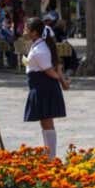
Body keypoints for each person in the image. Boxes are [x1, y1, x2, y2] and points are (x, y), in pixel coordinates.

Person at [23, 17, 69, 159]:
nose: (24, 31)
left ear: (34, 32)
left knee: (47, 122)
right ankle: (48, 153)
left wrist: (62, 80)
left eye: (27, 29)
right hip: (40, 85)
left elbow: (49, 70)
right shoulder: (38, 45)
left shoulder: (40, 49)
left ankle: (51, 156)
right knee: (44, 122)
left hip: (44, 86)